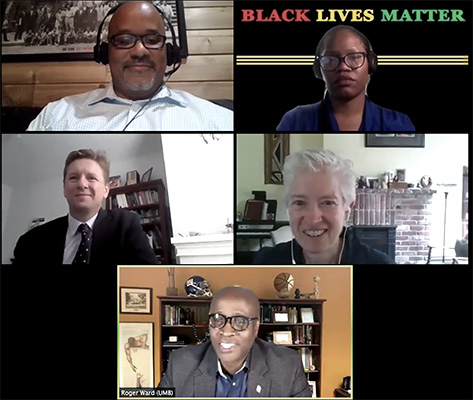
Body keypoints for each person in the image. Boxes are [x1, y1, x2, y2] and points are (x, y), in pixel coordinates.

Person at [27, 1, 233, 131]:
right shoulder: (56, 116)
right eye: (124, 40)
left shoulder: (219, 121)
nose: (139, 51)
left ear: (169, 53)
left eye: (152, 39)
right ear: (105, 52)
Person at [158, 286, 311, 397]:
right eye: (218, 319)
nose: (226, 331)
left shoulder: (287, 366)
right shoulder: (181, 363)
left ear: (255, 328)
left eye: (239, 321)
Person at [13, 149, 158, 265]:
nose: (82, 184)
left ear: (106, 190)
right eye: (73, 178)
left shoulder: (126, 225)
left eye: (92, 178)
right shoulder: (32, 239)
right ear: (64, 188)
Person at [253, 149, 395, 264]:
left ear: (347, 210)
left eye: (328, 203)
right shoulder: (265, 262)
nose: (313, 219)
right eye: (300, 202)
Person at [277, 25, 415, 132]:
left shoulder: (398, 123)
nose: (343, 67)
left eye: (354, 57)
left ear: (371, 64)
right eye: (330, 59)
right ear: (319, 68)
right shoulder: (295, 120)